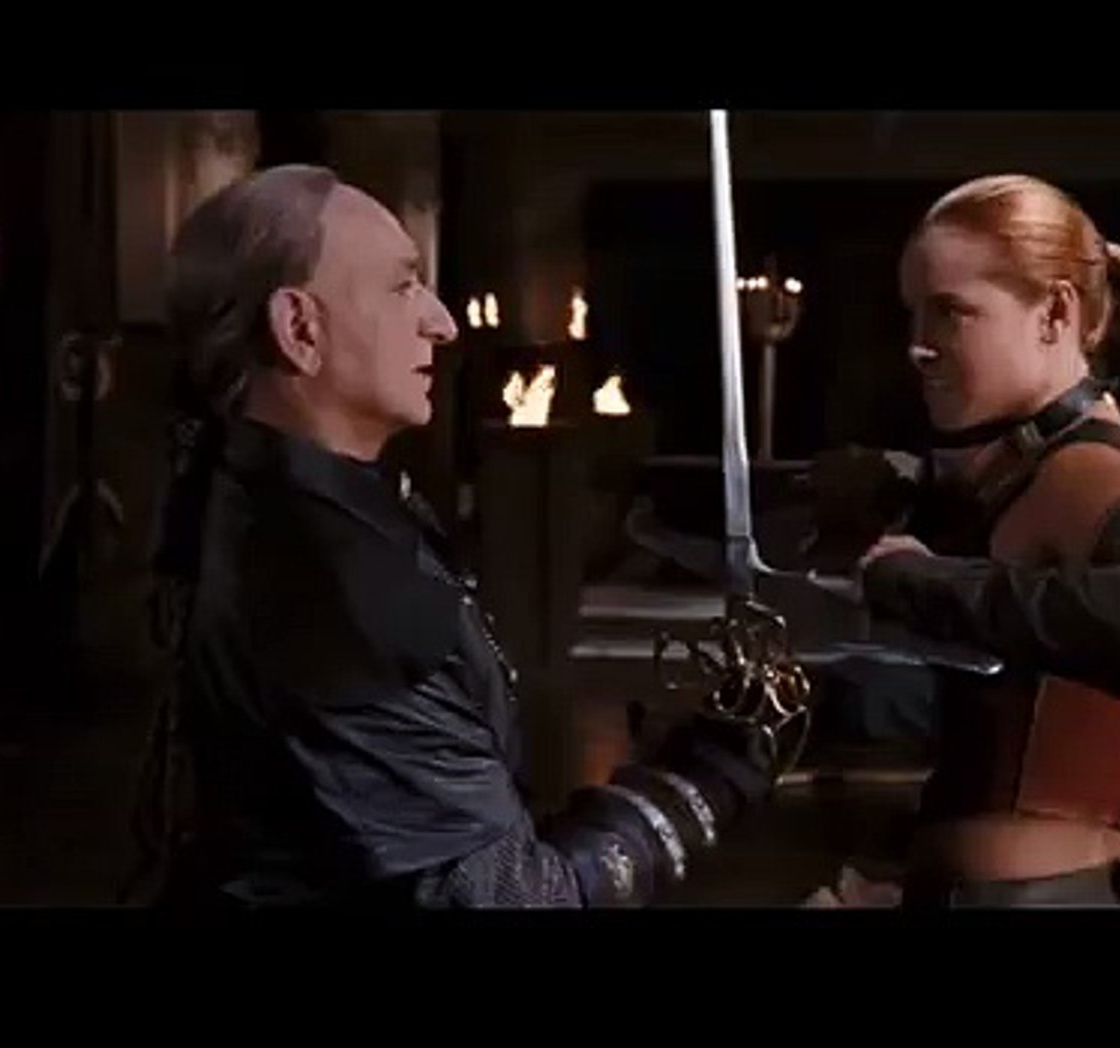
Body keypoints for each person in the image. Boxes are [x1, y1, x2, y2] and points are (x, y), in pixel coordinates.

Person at [131, 164, 773, 909]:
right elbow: (507, 898)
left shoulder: (253, 495)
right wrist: (699, 785)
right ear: (299, 329)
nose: (442, 322)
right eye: (402, 287)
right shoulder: (333, 586)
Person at [832, 174, 1120, 908]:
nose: (919, 345)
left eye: (951, 311)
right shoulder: (1039, 458)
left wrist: (929, 581)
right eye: (914, 312)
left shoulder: (1088, 466)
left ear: (1055, 313)